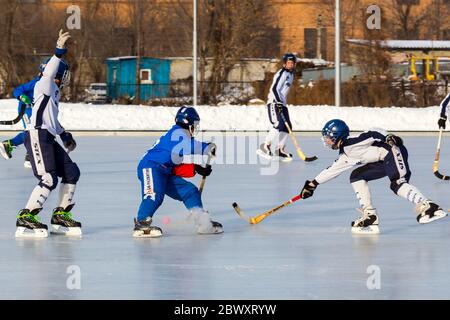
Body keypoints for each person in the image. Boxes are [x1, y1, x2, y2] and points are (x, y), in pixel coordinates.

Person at [299, 119, 447, 234]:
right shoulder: (345, 154)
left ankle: (429, 206)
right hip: (382, 160)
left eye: (328, 137)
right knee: (356, 176)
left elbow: (372, 132)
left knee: (397, 183)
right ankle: (370, 215)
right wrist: (313, 184)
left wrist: (388, 137)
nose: (326, 141)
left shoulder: (353, 142)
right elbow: (332, 170)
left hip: (393, 151)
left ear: (337, 136)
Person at [15, 30, 81, 238]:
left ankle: (60, 214)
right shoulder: (45, 84)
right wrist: (59, 51)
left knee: (72, 172)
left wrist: (64, 134)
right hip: (37, 135)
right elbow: (49, 71)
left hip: (49, 136)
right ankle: (27, 216)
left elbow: (51, 120)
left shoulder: (54, 91)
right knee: (48, 178)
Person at [133, 106, 223, 238]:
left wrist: (196, 168)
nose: (196, 127)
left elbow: (174, 165)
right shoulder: (177, 134)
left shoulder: (181, 136)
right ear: (189, 122)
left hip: (165, 171)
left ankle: (202, 221)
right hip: (150, 167)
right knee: (153, 195)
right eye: (195, 124)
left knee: (190, 191)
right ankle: (141, 223)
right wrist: (206, 148)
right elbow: (189, 146)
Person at [0, 66, 44, 168]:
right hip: (26, 110)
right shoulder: (36, 82)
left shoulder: (48, 85)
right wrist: (23, 97)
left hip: (35, 111)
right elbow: (18, 90)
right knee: (30, 132)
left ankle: (30, 156)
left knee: (37, 132)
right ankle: (9, 144)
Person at [257, 52, 297, 162]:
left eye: (292, 63)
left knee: (287, 125)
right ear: (284, 64)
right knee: (278, 124)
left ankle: (280, 149)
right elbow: (275, 89)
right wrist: (278, 101)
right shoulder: (282, 73)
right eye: (288, 63)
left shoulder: (291, 74)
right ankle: (265, 146)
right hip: (274, 102)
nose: (290, 65)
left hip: (282, 104)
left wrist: (282, 102)